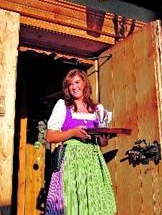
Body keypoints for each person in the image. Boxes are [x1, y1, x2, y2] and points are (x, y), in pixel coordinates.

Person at [44, 69, 117, 215]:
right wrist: (72, 133)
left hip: (93, 161)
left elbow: (102, 144)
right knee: (72, 201)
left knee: (96, 203)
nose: (74, 87)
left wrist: (104, 138)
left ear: (84, 83)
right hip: (72, 161)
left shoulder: (97, 109)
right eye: (70, 84)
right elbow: (50, 136)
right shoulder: (63, 106)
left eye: (77, 82)